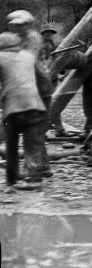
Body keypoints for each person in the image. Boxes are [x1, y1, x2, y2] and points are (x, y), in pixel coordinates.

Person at [8, 10, 53, 176]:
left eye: (20, 24)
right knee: (35, 129)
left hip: (39, 87)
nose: (16, 27)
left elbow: (29, 61)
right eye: (14, 24)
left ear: (27, 24)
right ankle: (43, 166)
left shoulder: (33, 38)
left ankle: (34, 169)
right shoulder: (17, 39)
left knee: (34, 128)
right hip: (30, 87)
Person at [0, 32, 48, 185]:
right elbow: (43, 79)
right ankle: (34, 179)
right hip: (36, 107)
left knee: (11, 145)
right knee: (32, 145)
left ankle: (11, 182)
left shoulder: (1, 57)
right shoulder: (28, 56)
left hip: (12, 111)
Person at [38, 24, 67, 137]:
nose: (48, 34)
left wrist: (62, 72)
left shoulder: (54, 46)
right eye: (46, 32)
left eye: (50, 32)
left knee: (53, 102)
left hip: (53, 79)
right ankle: (41, 130)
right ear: (43, 34)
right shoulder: (38, 46)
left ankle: (58, 129)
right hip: (42, 79)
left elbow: (58, 60)